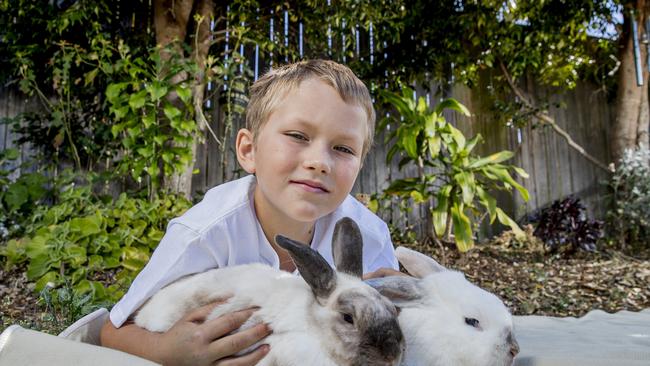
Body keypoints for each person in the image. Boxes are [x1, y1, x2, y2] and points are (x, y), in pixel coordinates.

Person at [100, 59, 402, 365]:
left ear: (360, 165)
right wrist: (165, 351)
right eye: (298, 136)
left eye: (344, 149)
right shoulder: (203, 235)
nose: (320, 162)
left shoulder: (369, 236)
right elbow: (113, 331)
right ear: (248, 150)